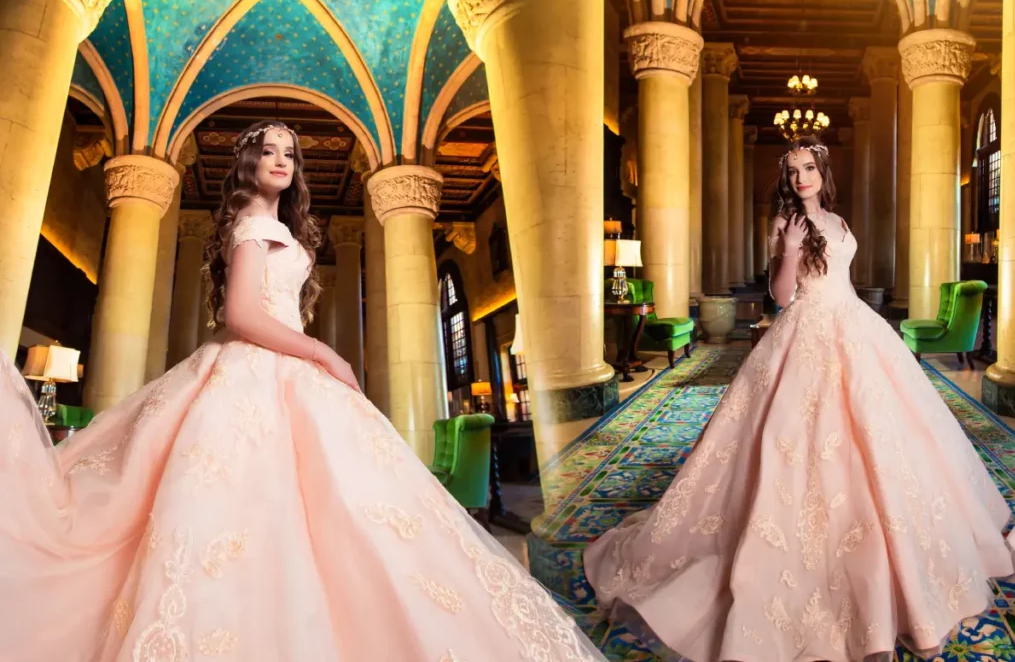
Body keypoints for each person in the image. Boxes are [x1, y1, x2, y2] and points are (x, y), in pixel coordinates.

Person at [0, 121, 606, 662]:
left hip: (276, 372)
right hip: (256, 372)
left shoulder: (270, 224)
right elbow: (240, 313)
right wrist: (320, 351)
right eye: (267, 151)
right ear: (248, 164)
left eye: (289, 151)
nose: (281, 159)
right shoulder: (254, 222)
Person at [582, 136, 1015, 661]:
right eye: (792, 171)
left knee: (883, 442)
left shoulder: (841, 222)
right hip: (806, 330)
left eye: (807, 168)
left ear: (822, 171)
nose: (800, 178)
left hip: (855, 327)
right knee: (796, 444)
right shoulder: (786, 225)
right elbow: (781, 296)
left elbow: (844, 283)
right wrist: (787, 251)